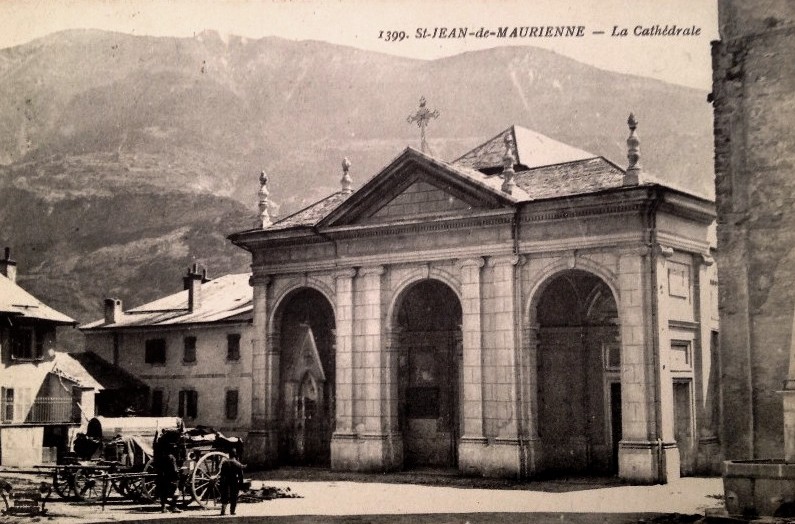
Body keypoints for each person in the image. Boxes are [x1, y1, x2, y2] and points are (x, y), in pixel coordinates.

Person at [153, 433, 182, 513]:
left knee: (163, 491)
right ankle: (173, 506)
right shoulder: (171, 457)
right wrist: (178, 474)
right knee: (176, 490)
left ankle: (164, 507)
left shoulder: (159, 455)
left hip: (161, 475)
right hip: (170, 477)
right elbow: (175, 470)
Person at [219, 449, 245, 516]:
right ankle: (232, 511)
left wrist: (221, 483)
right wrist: (241, 485)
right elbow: (241, 476)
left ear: (229, 455)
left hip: (226, 481)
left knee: (225, 495)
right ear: (235, 454)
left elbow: (222, 474)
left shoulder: (225, 463)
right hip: (234, 481)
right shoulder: (237, 464)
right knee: (234, 496)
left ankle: (223, 511)